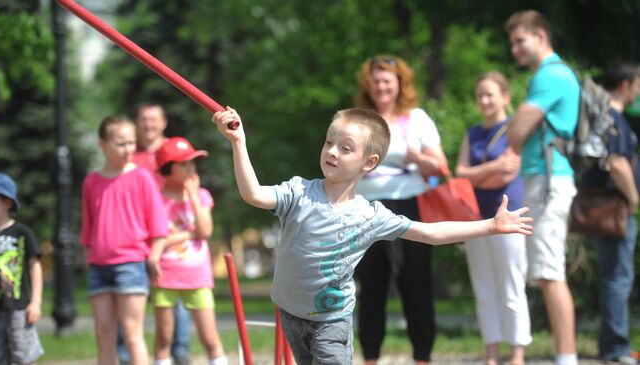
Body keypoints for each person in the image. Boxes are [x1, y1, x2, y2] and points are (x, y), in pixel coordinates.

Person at [211, 106, 533, 364]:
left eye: (345, 148)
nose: (332, 151)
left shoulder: (371, 216)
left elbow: (431, 233)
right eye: (329, 142)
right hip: (290, 313)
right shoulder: (298, 193)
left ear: (369, 162)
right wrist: (239, 144)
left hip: (331, 321)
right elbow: (253, 194)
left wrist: (489, 226)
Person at [353, 55, 447, 365]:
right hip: (366, 209)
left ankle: (422, 358)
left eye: (387, 81)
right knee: (370, 287)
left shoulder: (417, 118)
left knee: (416, 284)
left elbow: (440, 166)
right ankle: (370, 358)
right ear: (369, 85)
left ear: (399, 85)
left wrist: (414, 157)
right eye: (376, 81)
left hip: (410, 204)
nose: (381, 86)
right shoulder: (359, 120)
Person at [505, 10, 580, 365]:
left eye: (520, 41)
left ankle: (567, 359)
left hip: (549, 180)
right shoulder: (551, 75)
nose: (515, 49)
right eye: (513, 43)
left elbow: (516, 132)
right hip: (546, 178)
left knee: (550, 273)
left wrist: (515, 130)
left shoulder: (550, 75)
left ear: (541, 36)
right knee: (547, 272)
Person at [456, 72, 531, 365]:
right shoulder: (472, 132)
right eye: (480, 95)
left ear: (505, 96)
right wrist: (492, 167)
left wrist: (477, 176)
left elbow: (508, 173)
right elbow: (459, 174)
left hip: (510, 215)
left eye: (490, 94)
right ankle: (491, 354)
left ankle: (517, 354)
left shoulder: (514, 128)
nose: (485, 100)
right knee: (484, 287)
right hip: (475, 217)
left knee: (512, 284)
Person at [80, 115, 168, 365]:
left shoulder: (141, 177)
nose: (128, 149)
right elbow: (88, 225)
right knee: (103, 334)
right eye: (121, 143)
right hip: (99, 266)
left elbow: (159, 225)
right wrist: (88, 255)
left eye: (131, 142)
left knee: (131, 333)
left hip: (131, 265)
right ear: (103, 144)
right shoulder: (91, 181)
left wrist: (154, 256)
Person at [115, 102, 193, 365]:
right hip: (135, 234)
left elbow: (188, 182)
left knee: (175, 292)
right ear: (137, 124)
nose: (148, 124)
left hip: (169, 232)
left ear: (163, 122)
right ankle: (125, 354)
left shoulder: (173, 151)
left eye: (153, 119)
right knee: (128, 293)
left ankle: (178, 351)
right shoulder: (128, 153)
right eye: (143, 119)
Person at [579, 62, 640, 365]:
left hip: (605, 209)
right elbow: (617, 164)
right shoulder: (613, 119)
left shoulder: (604, 117)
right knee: (618, 278)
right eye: (638, 84)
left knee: (613, 276)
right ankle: (616, 347)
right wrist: (634, 198)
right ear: (626, 85)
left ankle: (611, 344)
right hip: (614, 209)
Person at [152, 136, 227, 365]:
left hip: (197, 277)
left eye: (193, 162)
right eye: (183, 163)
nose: (190, 168)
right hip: (165, 276)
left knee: (210, 337)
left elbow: (205, 232)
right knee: (164, 337)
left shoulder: (202, 196)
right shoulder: (156, 198)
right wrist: (187, 234)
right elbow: (156, 241)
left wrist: (193, 195)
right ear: (168, 167)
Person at [0, 172, 44, 365]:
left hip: (18, 307)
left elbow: (34, 266)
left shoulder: (22, 233)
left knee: (23, 354)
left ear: (6, 203)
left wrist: (36, 302)